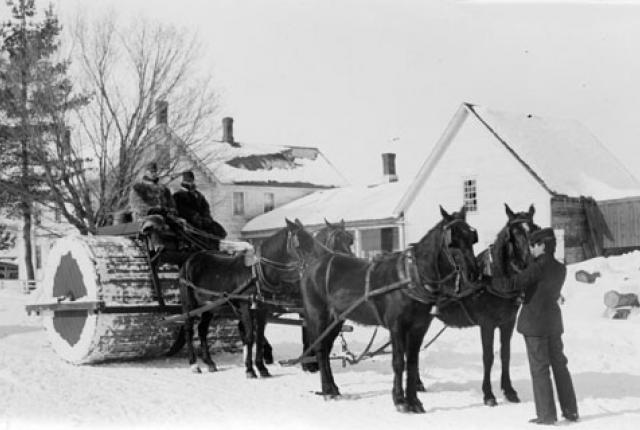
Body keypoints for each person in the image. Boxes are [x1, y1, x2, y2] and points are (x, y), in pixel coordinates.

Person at [495, 227, 579, 425]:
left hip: (535, 325)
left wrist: (491, 278)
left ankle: (547, 416)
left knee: (540, 369)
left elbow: (513, 283)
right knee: (560, 366)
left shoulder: (537, 268)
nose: (531, 249)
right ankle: (571, 411)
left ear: (543, 245)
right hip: (553, 324)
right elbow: (539, 284)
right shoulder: (560, 268)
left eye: (534, 245)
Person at [172, 170, 227, 239]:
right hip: (189, 221)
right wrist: (194, 216)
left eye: (190, 180)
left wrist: (206, 216)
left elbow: (205, 207)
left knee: (218, 230)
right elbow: (181, 208)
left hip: (202, 220)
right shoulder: (178, 195)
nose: (189, 182)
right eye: (186, 180)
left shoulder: (198, 194)